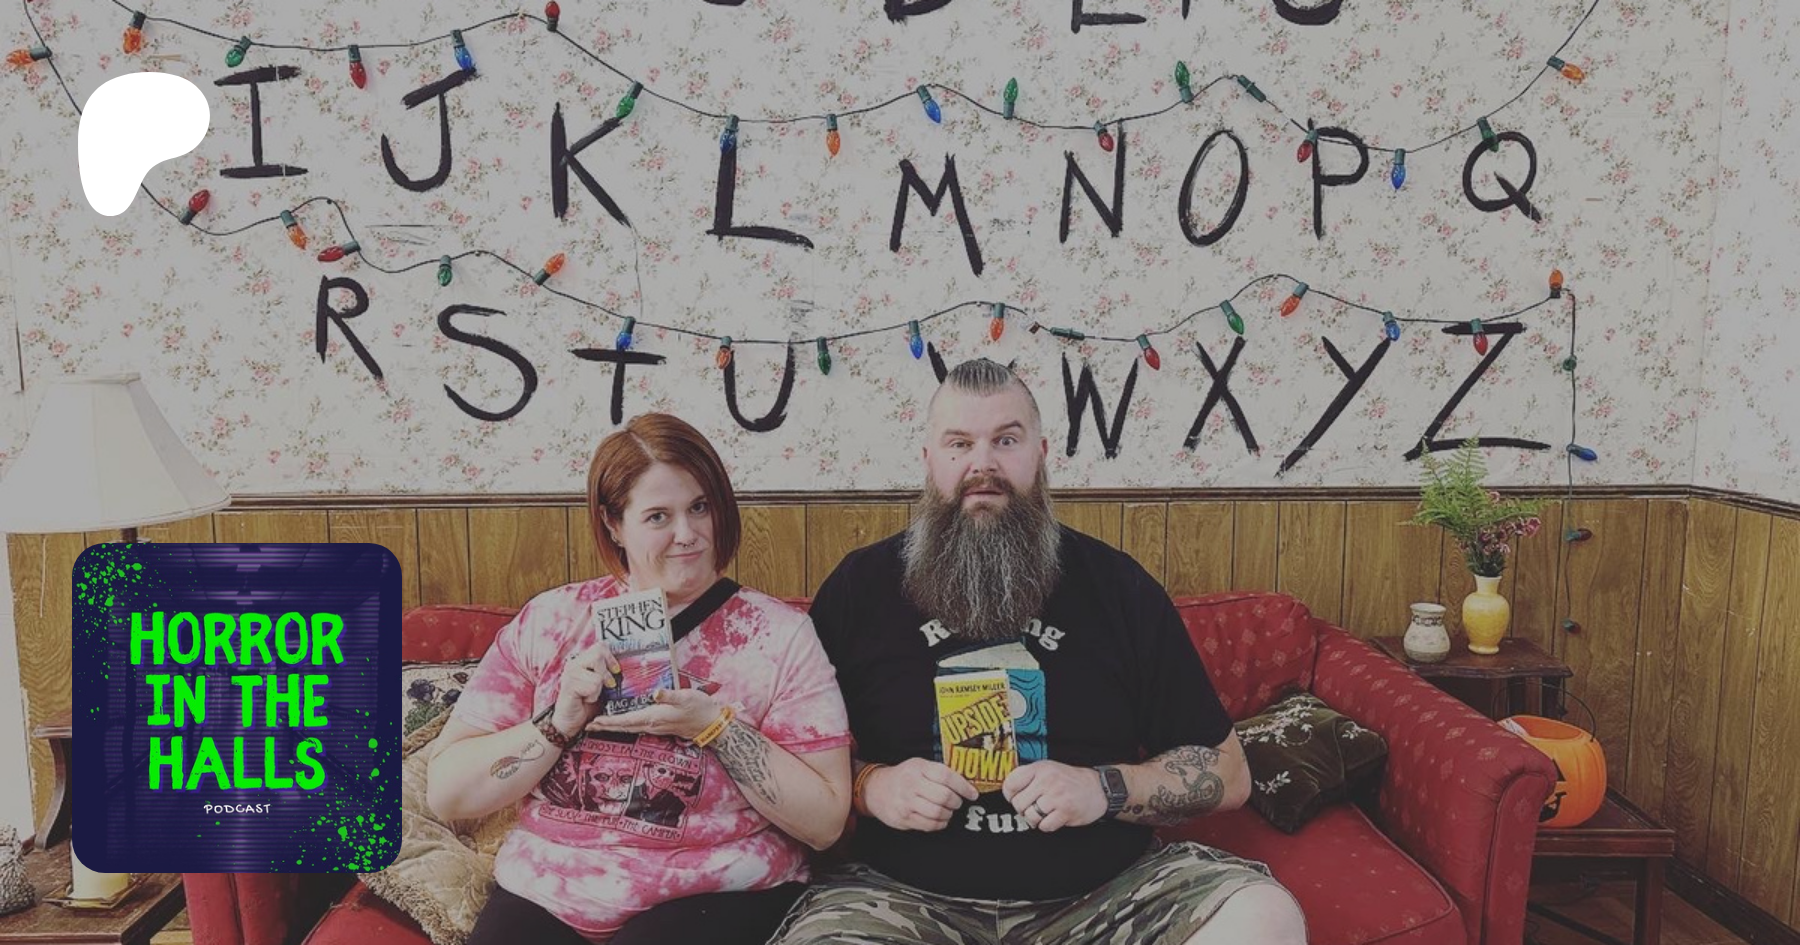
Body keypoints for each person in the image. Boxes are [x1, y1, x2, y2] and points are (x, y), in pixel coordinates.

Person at [770, 359, 1307, 945]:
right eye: (959, 443)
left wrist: (1103, 789)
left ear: (1040, 453)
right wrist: (873, 787)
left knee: (1265, 917)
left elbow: (1228, 774)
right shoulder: (860, 587)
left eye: (1006, 440)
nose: (983, 465)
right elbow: (791, 768)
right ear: (929, 459)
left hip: (1106, 895)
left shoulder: (1117, 586)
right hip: (902, 898)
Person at [427, 412, 853, 945]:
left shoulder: (779, 635)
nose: (688, 535)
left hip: (713, 891)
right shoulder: (552, 620)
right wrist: (558, 722)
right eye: (658, 516)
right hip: (547, 888)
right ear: (613, 524)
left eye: (700, 507)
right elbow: (447, 795)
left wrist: (715, 728)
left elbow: (826, 821)